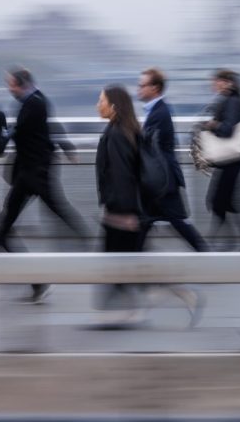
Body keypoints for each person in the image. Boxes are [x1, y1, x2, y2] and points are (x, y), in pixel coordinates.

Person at [0, 67, 88, 304]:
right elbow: (50, 127)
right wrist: (66, 147)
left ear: (20, 83)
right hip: (31, 170)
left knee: (43, 207)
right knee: (20, 208)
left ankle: (81, 234)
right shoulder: (35, 99)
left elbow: (19, 131)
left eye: (10, 84)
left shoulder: (33, 103)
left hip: (34, 171)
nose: (9, 88)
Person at [136, 68, 206, 326]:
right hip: (160, 182)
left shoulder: (160, 113)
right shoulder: (158, 111)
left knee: (167, 225)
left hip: (160, 183)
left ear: (155, 88)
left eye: (142, 85)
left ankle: (157, 291)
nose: (138, 89)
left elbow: (146, 145)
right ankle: (158, 290)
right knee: (156, 229)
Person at [94, 85, 146, 327]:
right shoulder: (122, 130)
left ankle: (120, 312)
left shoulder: (116, 135)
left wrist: (120, 212)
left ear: (114, 106)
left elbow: (121, 175)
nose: (98, 105)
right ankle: (119, 311)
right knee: (120, 265)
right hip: (123, 210)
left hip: (121, 212)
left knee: (115, 265)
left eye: (101, 100)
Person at [202, 69, 240, 250]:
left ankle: (212, 242)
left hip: (230, 159)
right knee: (223, 201)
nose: (214, 85)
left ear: (227, 82)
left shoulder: (232, 101)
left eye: (217, 81)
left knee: (217, 201)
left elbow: (228, 129)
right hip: (229, 159)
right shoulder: (230, 100)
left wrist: (213, 125)